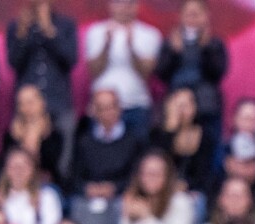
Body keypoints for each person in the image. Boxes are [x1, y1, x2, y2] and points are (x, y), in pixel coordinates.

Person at [83, 0, 162, 135]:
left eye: (129, 3)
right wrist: (106, 45)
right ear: (111, 4)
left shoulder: (150, 34)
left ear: (136, 6)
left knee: (138, 153)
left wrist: (132, 48)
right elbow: (93, 70)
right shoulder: (95, 32)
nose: (124, 7)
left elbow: (146, 73)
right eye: (119, 2)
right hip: (103, 108)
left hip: (136, 105)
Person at [152, 0, 228, 139]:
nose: (192, 19)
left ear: (206, 16)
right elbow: (161, 74)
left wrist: (206, 48)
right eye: (188, 14)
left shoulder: (215, 43)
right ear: (180, 16)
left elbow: (218, 74)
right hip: (176, 106)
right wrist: (174, 52)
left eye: (196, 14)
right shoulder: (170, 42)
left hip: (206, 106)